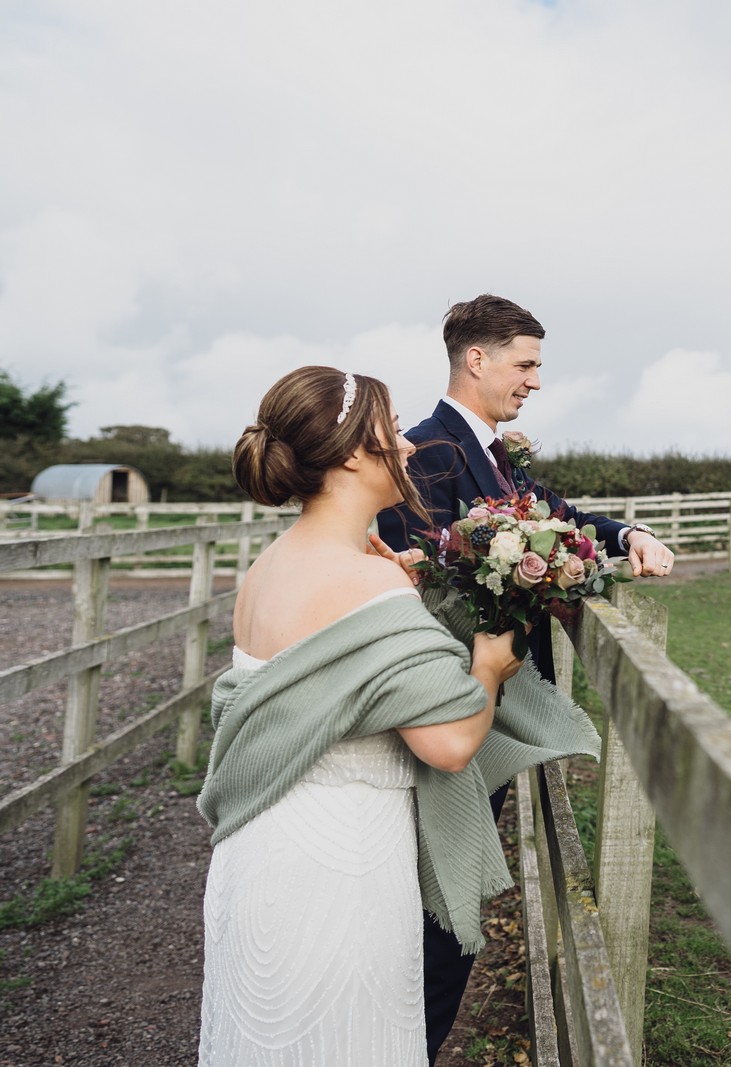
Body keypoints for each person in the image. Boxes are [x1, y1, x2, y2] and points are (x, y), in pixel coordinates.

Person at [198, 366, 592, 1066]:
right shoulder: (366, 578)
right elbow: (449, 744)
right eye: (394, 430)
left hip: (257, 853)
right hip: (340, 863)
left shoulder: (267, 568)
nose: (409, 446)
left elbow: (329, 667)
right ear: (354, 454)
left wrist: (397, 595)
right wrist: (488, 668)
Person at [377, 293, 674, 1061]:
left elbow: (561, 518)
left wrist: (629, 533)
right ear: (477, 359)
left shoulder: (496, 456)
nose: (536, 380)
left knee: (450, 914)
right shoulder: (426, 453)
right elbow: (415, 594)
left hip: (489, 717)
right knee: (439, 922)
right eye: (526, 363)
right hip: (450, 722)